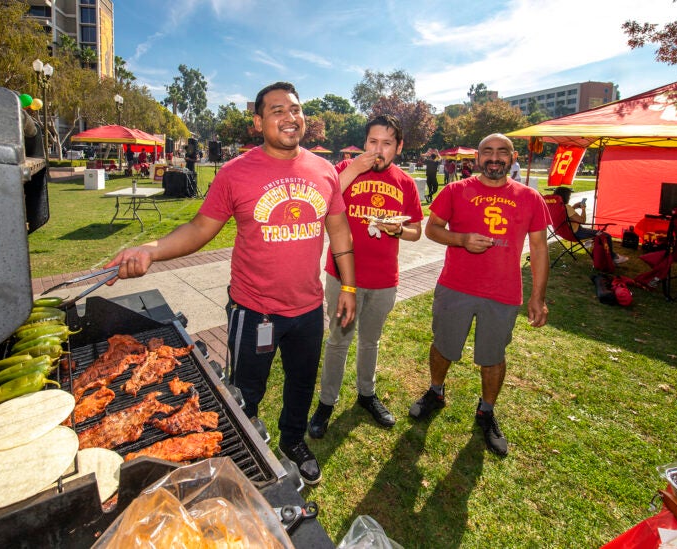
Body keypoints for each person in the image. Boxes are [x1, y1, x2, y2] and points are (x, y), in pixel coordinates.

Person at [104, 82, 356, 486]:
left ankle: (293, 440)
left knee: (302, 381)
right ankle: (243, 445)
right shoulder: (236, 172)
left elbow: (339, 231)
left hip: (307, 309)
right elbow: (201, 228)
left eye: (295, 109)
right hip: (254, 311)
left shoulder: (324, 170)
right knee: (245, 391)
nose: (290, 117)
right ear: (258, 123)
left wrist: (349, 287)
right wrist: (151, 249)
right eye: (277, 110)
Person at [408, 133, 550, 457]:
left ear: (512, 158)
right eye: (488, 151)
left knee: (492, 356)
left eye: (502, 152)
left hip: (502, 293)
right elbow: (432, 228)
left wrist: (537, 297)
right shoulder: (456, 190)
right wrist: (461, 239)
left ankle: (486, 410)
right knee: (443, 346)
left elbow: (540, 248)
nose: (495, 157)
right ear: (477, 158)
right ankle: (435, 392)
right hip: (455, 287)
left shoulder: (530, 198)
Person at [308, 114, 423, 438]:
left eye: (386, 143)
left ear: (398, 147)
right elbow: (321, 203)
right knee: (338, 340)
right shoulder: (346, 170)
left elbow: (416, 230)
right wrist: (355, 169)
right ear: (364, 143)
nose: (378, 149)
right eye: (373, 142)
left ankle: (366, 394)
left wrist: (398, 228)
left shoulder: (405, 182)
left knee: (370, 341)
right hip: (344, 276)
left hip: (385, 279)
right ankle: (326, 402)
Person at [551, 186, 628, 264]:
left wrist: (573, 207)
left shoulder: (556, 207)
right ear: (566, 197)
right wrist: (583, 209)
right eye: (569, 196)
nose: (569, 198)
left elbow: (565, 216)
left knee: (596, 234)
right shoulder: (566, 207)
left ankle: (590, 242)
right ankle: (613, 257)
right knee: (606, 235)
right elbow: (582, 220)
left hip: (563, 232)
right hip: (576, 232)